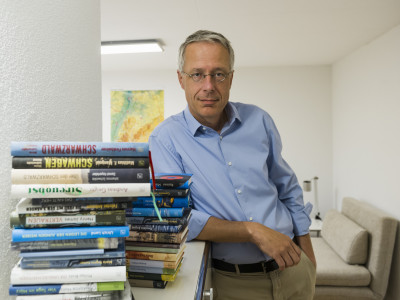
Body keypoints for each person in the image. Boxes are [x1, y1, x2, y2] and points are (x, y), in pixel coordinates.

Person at [149, 30, 316, 300]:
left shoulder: (259, 120)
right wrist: (252, 231)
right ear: (181, 79)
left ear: (231, 78)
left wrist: (309, 258)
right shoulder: (165, 140)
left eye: (219, 74)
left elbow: (287, 188)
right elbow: (176, 218)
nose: (209, 85)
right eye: (197, 74)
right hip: (233, 283)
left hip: (295, 270)